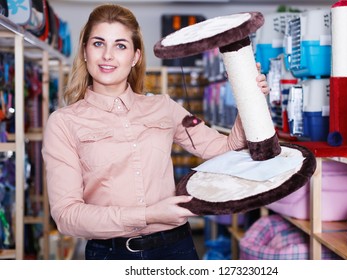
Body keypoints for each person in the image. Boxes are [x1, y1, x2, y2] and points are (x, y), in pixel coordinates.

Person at [42, 3, 269, 260]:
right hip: (111, 255)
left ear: (135, 56)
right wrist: (148, 215)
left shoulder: (163, 107)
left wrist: (249, 99)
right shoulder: (64, 122)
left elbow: (224, 149)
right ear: (85, 51)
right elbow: (67, 216)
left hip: (176, 249)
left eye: (120, 45)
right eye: (98, 43)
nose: (107, 55)